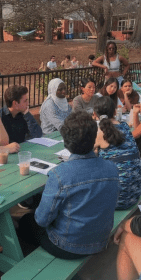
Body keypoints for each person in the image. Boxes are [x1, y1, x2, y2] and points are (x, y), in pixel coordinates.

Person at [18, 110, 120, 259]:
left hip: (68, 246)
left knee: (26, 221)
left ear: (66, 142)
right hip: (100, 240)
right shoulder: (112, 168)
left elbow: (41, 219)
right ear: (94, 139)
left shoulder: (59, 175)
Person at [93, 96, 141, 210]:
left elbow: (87, 155)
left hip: (114, 200)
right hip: (135, 194)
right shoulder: (124, 126)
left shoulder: (99, 131)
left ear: (94, 114)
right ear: (115, 111)